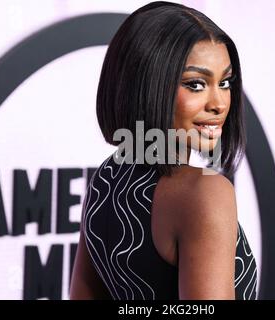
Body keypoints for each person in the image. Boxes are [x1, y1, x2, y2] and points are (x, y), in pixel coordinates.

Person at [70, 1, 257, 300]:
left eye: (224, 82)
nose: (219, 103)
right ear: (147, 85)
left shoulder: (106, 178)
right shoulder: (205, 193)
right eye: (195, 84)